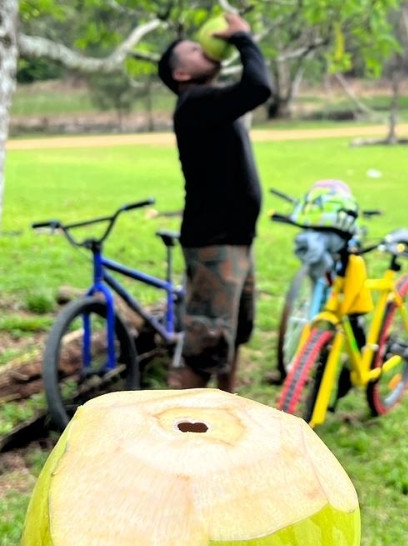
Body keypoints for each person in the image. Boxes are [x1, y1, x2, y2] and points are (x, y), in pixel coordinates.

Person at [157, 14, 271, 392]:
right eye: (192, 49)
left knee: (232, 333)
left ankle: (227, 406)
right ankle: (174, 422)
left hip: (236, 240)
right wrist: (242, 38)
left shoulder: (212, 102)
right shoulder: (195, 103)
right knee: (206, 344)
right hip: (214, 244)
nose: (202, 46)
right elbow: (258, 86)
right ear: (182, 74)